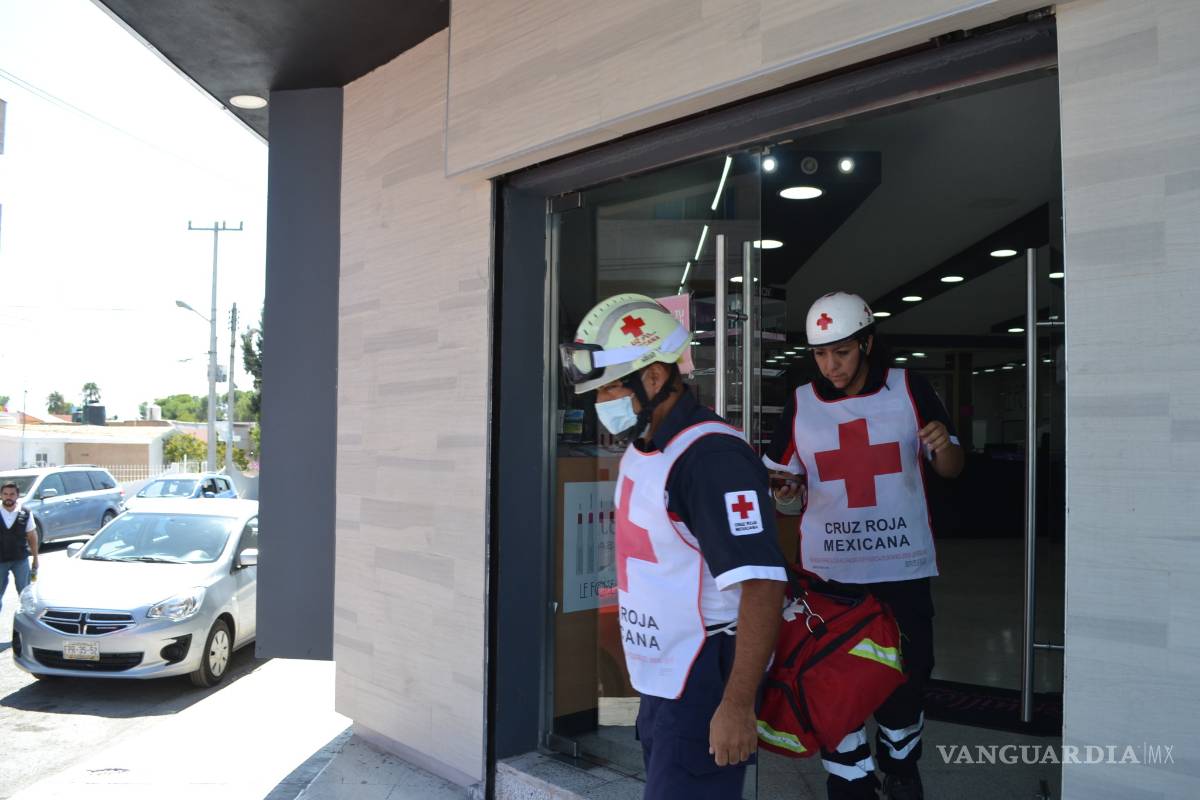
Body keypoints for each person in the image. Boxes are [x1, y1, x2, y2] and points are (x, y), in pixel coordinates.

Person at [560, 293, 788, 799]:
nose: (601, 404)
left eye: (609, 389)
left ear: (656, 378)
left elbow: (763, 585)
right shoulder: (646, 446)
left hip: (706, 678)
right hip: (666, 679)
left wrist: (735, 706)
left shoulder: (711, 459)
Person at [763, 291, 963, 800]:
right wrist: (785, 489)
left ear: (868, 343)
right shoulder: (802, 404)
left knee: (907, 679)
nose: (830, 365)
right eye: (820, 354)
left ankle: (900, 765)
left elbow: (952, 469)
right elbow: (782, 480)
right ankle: (849, 779)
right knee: (835, 683)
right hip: (830, 579)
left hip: (902, 569)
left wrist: (943, 446)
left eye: (843, 352)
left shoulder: (908, 388)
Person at [1, 481, 39, 618]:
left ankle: (25, 628)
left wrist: (35, 558)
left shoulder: (26, 513)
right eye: (5, 494)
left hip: (20, 560)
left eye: (12, 494)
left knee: (25, 595)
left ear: (17, 495)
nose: (8, 497)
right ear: (1, 495)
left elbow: (32, 536)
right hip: (0, 561)